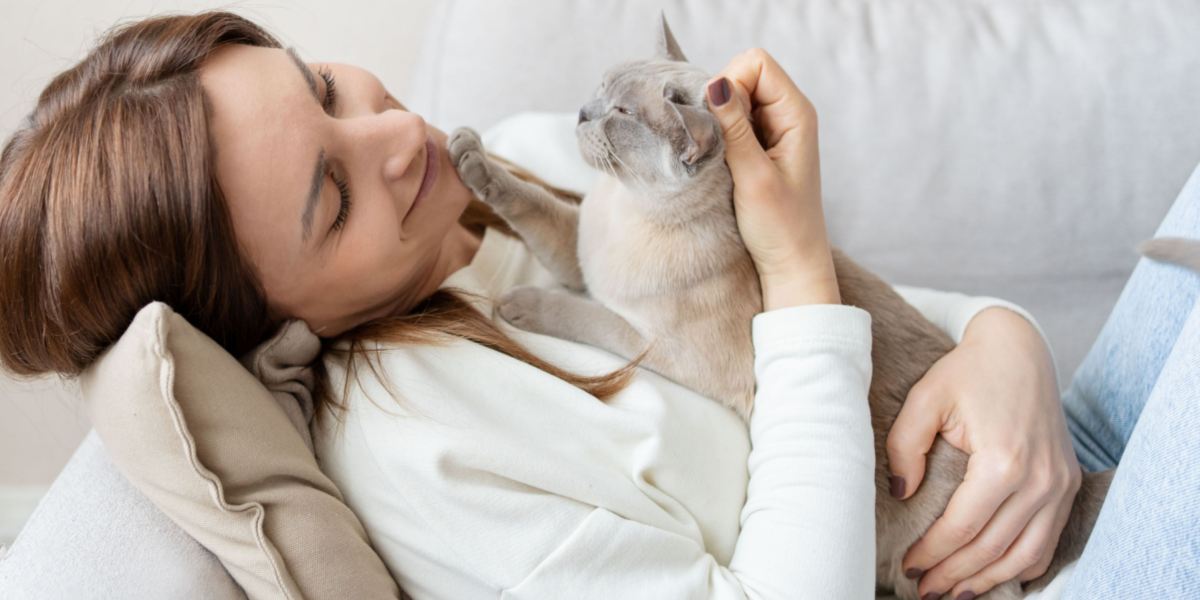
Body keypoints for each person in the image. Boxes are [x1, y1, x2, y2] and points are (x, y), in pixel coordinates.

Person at [0, 9, 1172, 599]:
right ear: (282, 331)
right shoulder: (423, 450)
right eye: (332, 195)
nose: (399, 133)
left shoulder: (497, 184)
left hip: (1041, 460)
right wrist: (799, 268)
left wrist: (1003, 345)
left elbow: (890, 320)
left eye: (324, 88)